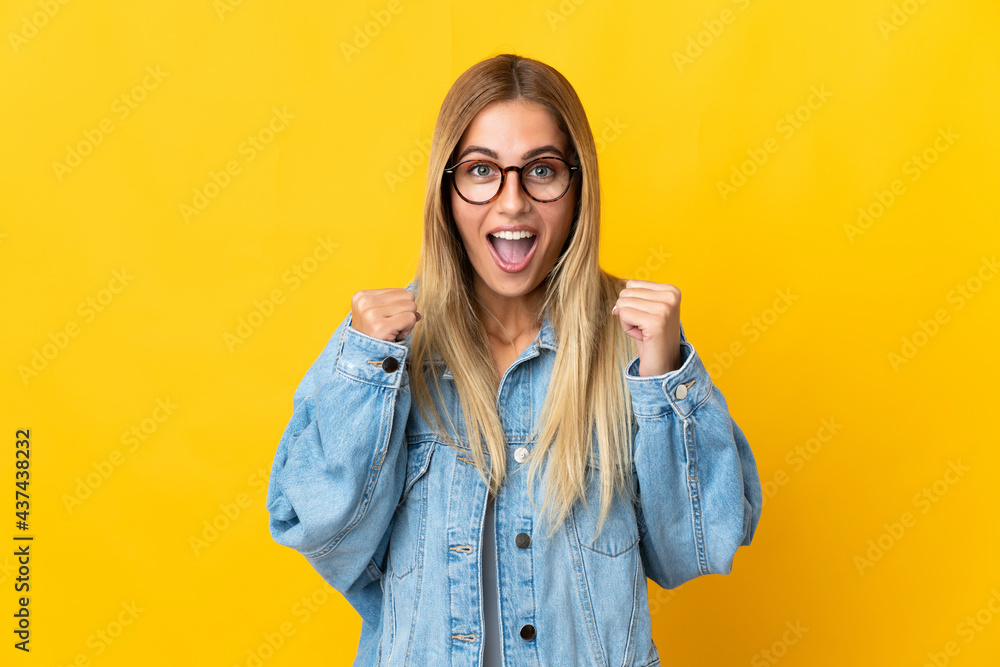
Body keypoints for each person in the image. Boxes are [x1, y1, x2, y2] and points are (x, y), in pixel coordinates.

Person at [266, 53, 763, 667]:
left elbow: (695, 549)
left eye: (542, 171)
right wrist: (366, 373)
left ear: (578, 188)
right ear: (447, 192)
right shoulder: (387, 356)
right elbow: (325, 535)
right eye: (481, 171)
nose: (512, 203)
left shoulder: (634, 349)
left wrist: (664, 381)